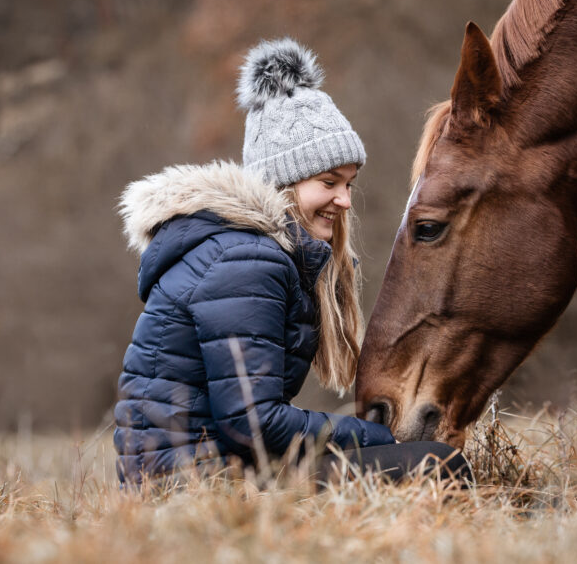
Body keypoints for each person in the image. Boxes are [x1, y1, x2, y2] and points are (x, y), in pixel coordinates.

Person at [113, 38, 470, 486]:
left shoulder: (244, 249)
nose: (344, 200)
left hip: (205, 470)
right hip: (195, 485)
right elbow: (254, 422)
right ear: (284, 182)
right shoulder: (247, 259)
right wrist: (373, 436)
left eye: (349, 183)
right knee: (437, 466)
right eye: (328, 182)